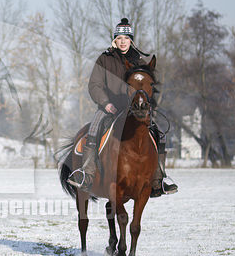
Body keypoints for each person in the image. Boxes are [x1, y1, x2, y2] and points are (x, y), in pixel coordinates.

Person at [67, 18, 178, 197]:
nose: (123, 42)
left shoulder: (139, 61)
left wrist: (146, 105)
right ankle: (86, 175)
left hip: (134, 110)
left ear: (131, 40)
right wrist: (105, 103)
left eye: (126, 38)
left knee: (158, 134)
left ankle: (159, 180)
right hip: (108, 108)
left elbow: (147, 86)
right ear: (115, 40)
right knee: (93, 131)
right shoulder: (104, 59)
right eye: (119, 38)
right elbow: (94, 85)